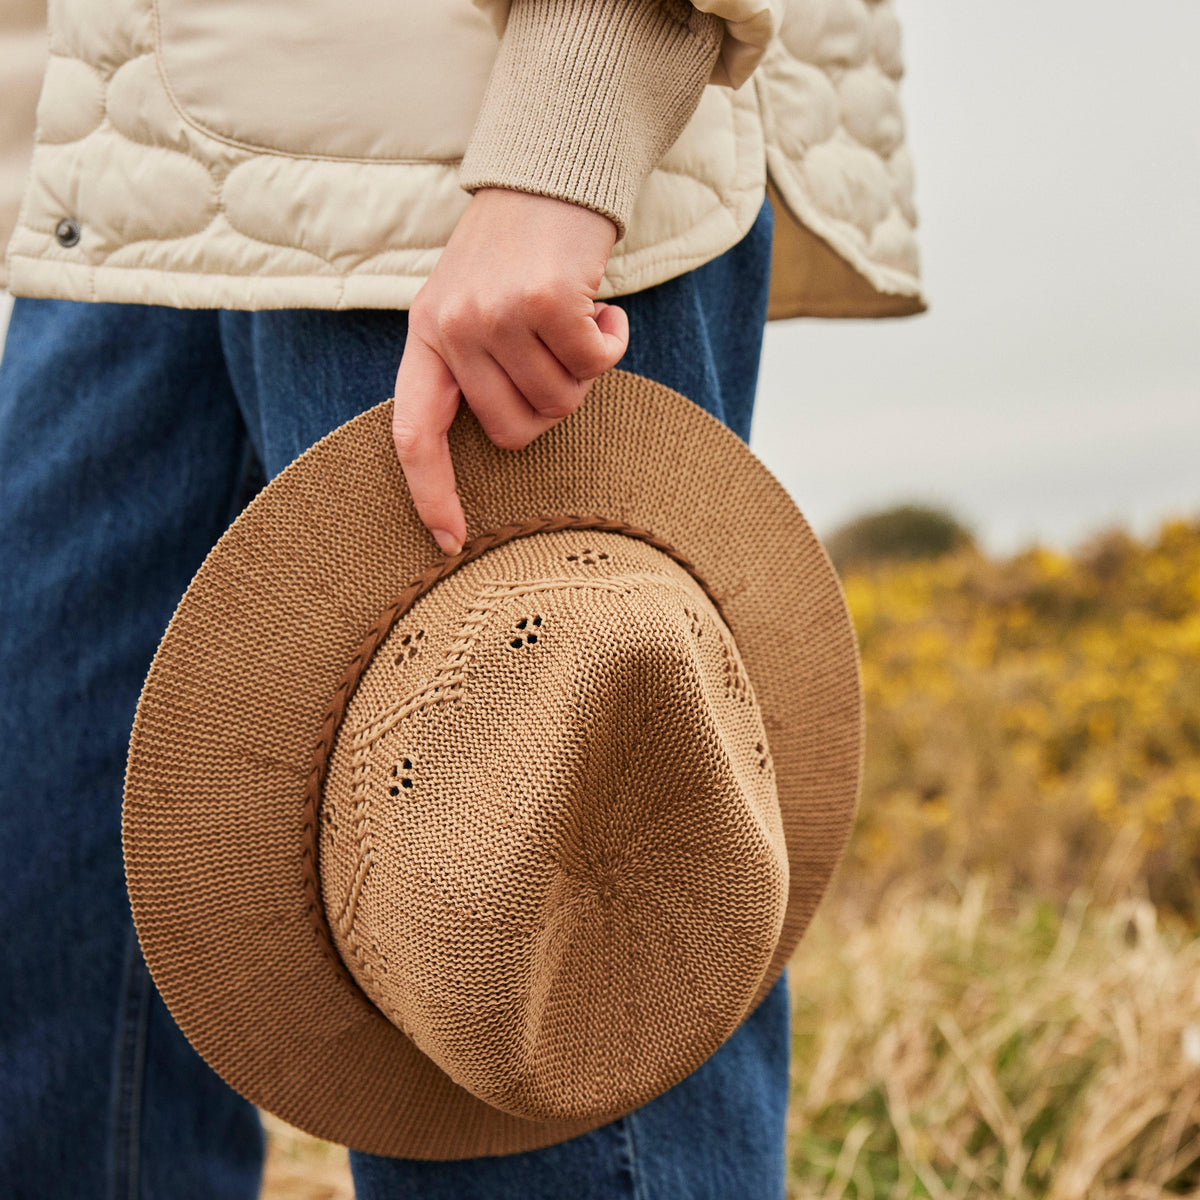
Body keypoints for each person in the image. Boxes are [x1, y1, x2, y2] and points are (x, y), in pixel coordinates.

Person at [0, 0, 925, 1196]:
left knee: (533, 986)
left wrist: (569, 131)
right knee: (49, 938)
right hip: (131, 165)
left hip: (457, 154)